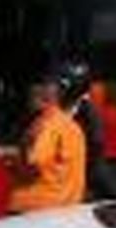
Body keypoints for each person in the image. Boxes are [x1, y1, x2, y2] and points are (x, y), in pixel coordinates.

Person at [6, 77, 86, 213]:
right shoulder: (71, 126)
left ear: (43, 99)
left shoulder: (45, 125)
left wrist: (14, 162)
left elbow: (34, 163)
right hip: (67, 206)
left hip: (35, 206)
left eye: (32, 95)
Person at [56, 60, 116, 200]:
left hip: (79, 174)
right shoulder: (52, 109)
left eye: (63, 85)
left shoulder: (88, 113)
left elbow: (96, 150)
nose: (58, 89)